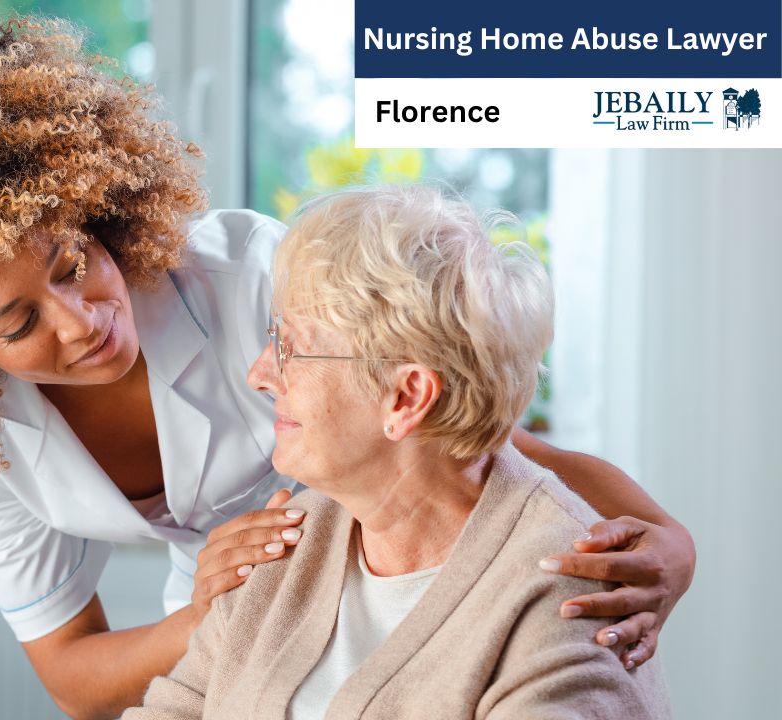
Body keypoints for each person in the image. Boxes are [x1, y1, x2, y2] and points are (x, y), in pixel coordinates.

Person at [0, 18, 693, 719]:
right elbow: (76, 675)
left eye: (73, 262)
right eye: (19, 323)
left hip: (395, 557)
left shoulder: (250, 278)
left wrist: (667, 539)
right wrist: (210, 607)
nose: (85, 320)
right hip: (246, 607)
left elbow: (473, 434)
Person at [124, 185, 671, 719]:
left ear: (406, 397)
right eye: (272, 336)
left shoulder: (565, 607)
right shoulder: (287, 539)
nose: (260, 373)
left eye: (292, 347)